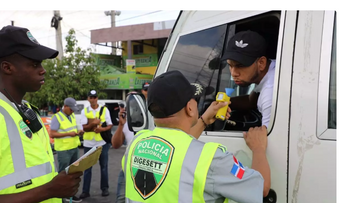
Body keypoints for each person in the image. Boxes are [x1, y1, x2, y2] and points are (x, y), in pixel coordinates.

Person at [122, 70, 271, 202]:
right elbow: (261, 188)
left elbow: (178, 152)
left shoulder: (136, 143)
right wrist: (258, 148)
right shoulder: (211, 160)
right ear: (190, 108)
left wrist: (204, 120)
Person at [0, 25, 82, 203]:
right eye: (34, 64)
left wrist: (57, 187)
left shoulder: (29, 110)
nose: (43, 70)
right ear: (7, 67)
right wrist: (49, 190)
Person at [221, 30, 276, 128]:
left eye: (240, 65)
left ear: (261, 63)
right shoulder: (273, 67)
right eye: (230, 65)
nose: (233, 73)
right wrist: (222, 103)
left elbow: (266, 141)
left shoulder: (271, 93)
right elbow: (251, 101)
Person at [79, 90, 113, 199]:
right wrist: (93, 123)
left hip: (102, 143)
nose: (93, 99)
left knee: (104, 167)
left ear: (97, 98)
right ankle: (85, 191)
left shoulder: (104, 110)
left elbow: (110, 125)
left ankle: (105, 188)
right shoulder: (85, 111)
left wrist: (102, 128)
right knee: (87, 168)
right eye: (91, 97)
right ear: (88, 99)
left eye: (94, 97)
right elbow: (84, 128)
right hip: (89, 143)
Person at [50, 97, 84, 202]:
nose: (73, 111)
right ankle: (61, 196)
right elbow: (52, 133)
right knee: (63, 173)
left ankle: (71, 194)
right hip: (64, 150)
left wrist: (80, 132)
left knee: (73, 173)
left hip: (74, 148)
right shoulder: (57, 117)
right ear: (65, 106)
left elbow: (74, 128)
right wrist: (69, 134)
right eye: (71, 109)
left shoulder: (72, 115)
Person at [111, 103, 134, 203]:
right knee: (121, 199)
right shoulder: (126, 123)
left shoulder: (150, 122)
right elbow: (115, 144)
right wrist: (121, 124)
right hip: (126, 169)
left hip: (146, 169)